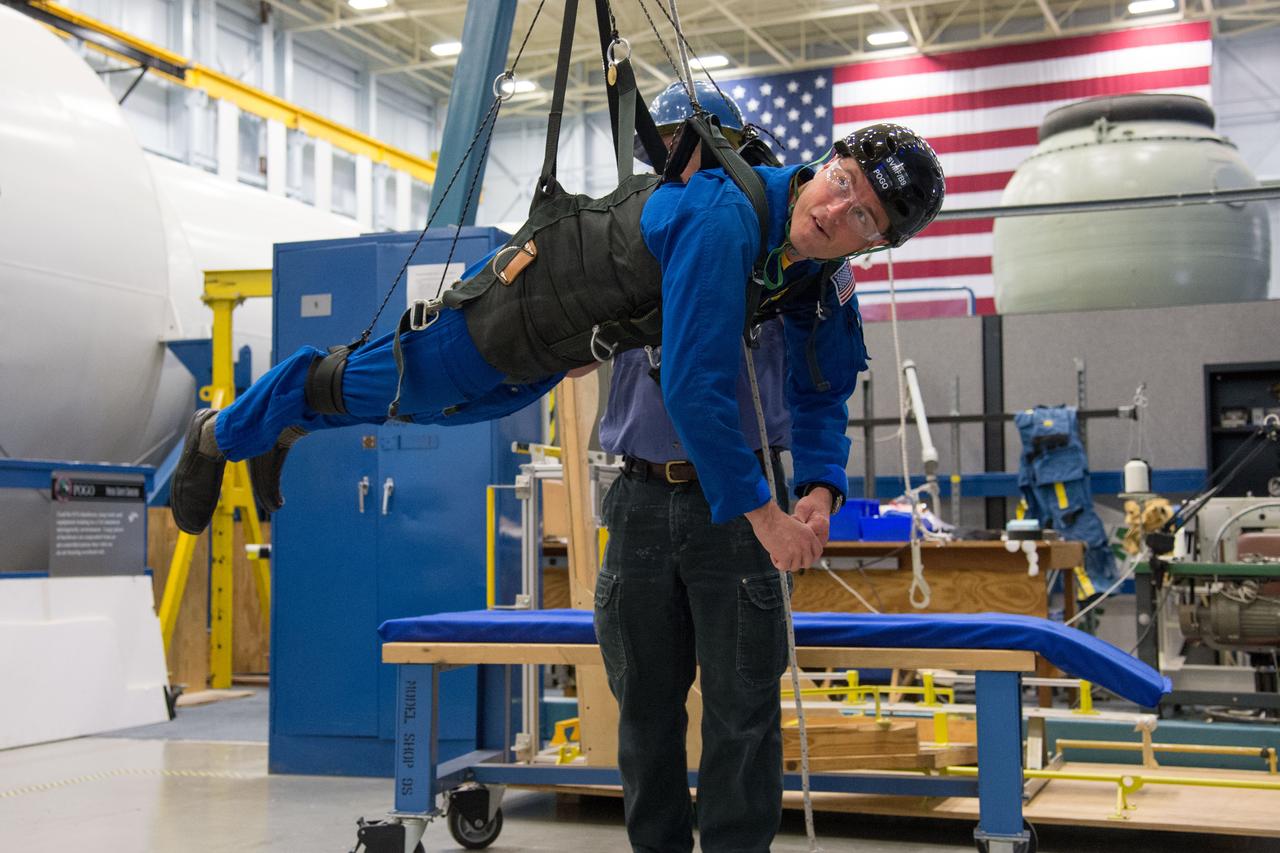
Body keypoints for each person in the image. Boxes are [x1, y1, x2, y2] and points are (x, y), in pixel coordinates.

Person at [169, 115, 945, 593]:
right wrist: (769, 520)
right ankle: (221, 433)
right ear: (825, 162)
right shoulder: (728, 218)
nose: (836, 211)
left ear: (876, 243)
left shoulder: (817, 275)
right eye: (841, 182)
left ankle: (285, 425)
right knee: (389, 383)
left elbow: (821, 386)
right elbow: (699, 393)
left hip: (568, 341)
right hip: (521, 305)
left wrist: (820, 488)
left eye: (863, 216)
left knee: (430, 407)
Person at [595, 80, 818, 852]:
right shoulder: (637, 238)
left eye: (676, 146)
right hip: (639, 496)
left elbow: (821, 378)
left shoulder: (774, 243)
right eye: (653, 149)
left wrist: (814, 489)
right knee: (644, 714)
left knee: (742, 712)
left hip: (743, 500)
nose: (664, 163)